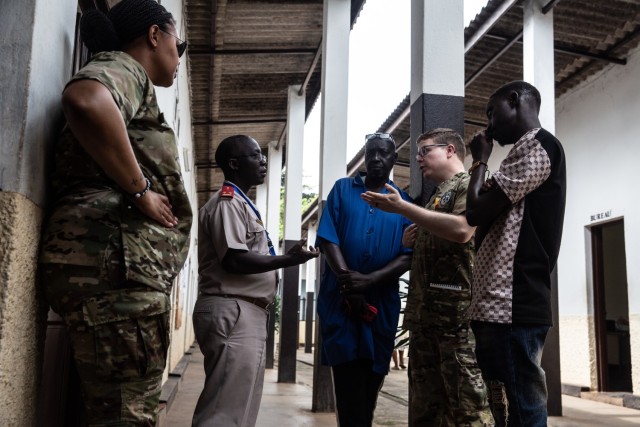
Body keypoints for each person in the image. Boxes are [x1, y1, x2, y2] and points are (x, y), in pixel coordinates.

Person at [38, 1, 191, 424]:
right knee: (126, 414)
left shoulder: (132, 78)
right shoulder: (124, 68)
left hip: (113, 272)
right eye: (179, 44)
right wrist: (141, 190)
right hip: (117, 275)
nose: (179, 57)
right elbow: (86, 99)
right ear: (155, 35)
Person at [362, 128, 494, 426]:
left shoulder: (470, 185)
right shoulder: (438, 195)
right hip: (427, 322)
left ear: (449, 150)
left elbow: (462, 230)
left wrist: (404, 208)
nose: (418, 158)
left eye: (425, 151)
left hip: (455, 325)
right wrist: (414, 241)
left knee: (468, 410)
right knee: (428, 412)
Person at [192, 134, 319, 426]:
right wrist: (289, 259)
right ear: (235, 164)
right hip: (233, 309)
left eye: (263, 156)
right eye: (255, 156)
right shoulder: (228, 202)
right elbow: (234, 259)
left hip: (244, 311)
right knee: (223, 411)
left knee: (238, 406)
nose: (263, 161)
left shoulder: (241, 203)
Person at [465, 81, 567, 426]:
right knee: (505, 408)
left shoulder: (540, 147)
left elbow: (476, 211)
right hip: (497, 307)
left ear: (514, 100)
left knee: (523, 407)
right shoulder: (521, 152)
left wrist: (480, 159)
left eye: (492, 112)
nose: (489, 125)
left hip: (512, 304)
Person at [316, 132, 413, 426]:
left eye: (383, 153)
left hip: (379, 305)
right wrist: (349, 283)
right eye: (371, 153)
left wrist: (369, 282)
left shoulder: (403, 202)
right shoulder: (343, 190)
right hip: (342, 303)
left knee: (370, 388)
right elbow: (328, 239)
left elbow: (408, 254)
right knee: (347, 390)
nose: (376, 159)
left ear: (394, 159)